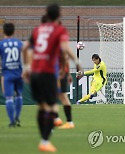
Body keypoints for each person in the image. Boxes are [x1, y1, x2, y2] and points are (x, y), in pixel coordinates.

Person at [22, 4, 81, 153]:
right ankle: (45, 139)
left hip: (35, 72)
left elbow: (25, 48)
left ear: (46, 14)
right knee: (52, 107)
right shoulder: (59, 30)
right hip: (48, 73)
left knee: (42, 107)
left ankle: (46, 136)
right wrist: (78, 63)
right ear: (59, 15)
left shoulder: (37, 30)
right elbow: (65, 50)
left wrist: (27, 68)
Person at [0, 23, 23, 127]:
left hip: (7, 73)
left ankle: (12, 121)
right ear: (14, 32)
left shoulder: (1, 44)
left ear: (3, 31)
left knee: (9, 98)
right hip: (18, 72)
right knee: (19, 96)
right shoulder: (18, 43)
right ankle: (17, 117)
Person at [58, 52, 74, 129]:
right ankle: (56, 119)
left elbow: (65, 59)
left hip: (59, 74)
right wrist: (69, 74)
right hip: (61, 73)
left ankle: (69, 122)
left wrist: (63, 71)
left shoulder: (58, 48)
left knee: (63, 97)